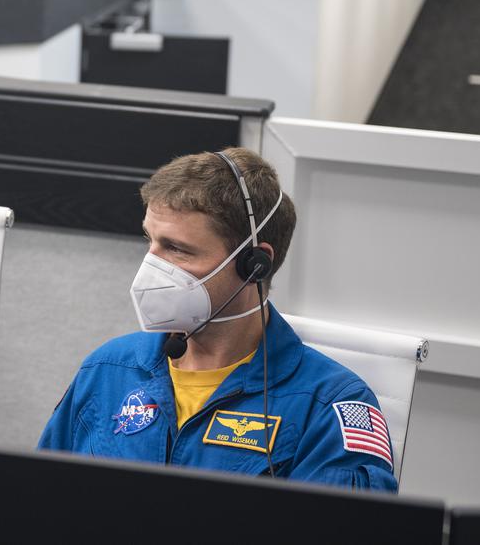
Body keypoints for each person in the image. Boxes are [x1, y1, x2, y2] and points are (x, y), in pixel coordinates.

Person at [38, 148, 398, 491]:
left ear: (255, 265)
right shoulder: (107, 370)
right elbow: (37, 505)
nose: (152, 267)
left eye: (177, 249)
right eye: (151, 241)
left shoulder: (329, 406)